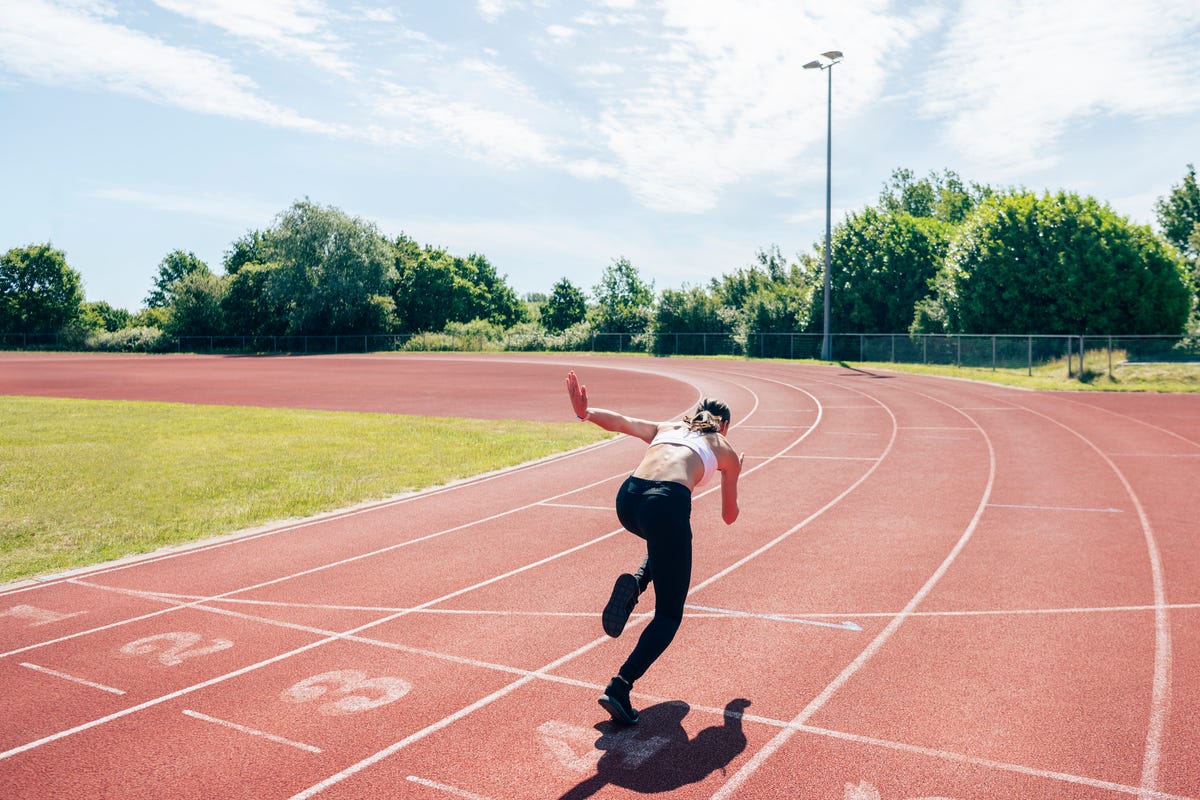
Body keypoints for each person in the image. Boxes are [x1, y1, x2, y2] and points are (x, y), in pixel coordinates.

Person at [566, 370, 744, 725]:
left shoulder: (669, 427)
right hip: (665, 505)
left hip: (628, 500)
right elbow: (729, 516)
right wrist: (734, 471)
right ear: (723, 426)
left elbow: (622, 422)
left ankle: (637, 581)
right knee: (668, 615)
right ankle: (620, 685)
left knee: (662, 539)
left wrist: (584, 413)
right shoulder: (724, 448)